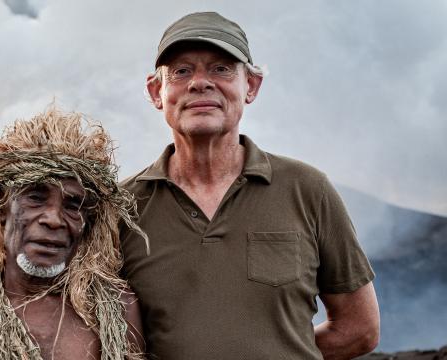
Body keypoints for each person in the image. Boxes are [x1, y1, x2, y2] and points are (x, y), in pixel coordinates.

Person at [120, 12, 380, 360]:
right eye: (181, 71)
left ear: (251, 86)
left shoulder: (307, 189)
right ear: (157, 91)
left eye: (221, 68)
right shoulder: (121, 207)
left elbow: (359, 329)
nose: (200, 82)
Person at [0, 107, 147, 360]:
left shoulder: (117, 309)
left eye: (73, 204)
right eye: (35, 198)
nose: (53, 219)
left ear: (87, 220)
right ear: (1, 206)